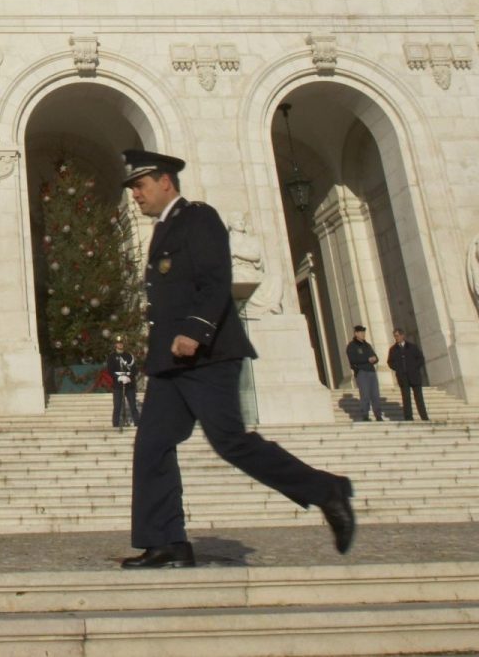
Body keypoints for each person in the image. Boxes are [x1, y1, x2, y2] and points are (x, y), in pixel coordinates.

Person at [117, 148, 355, 568]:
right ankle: (166, 540)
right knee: (152, 445)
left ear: (165, 181)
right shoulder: (162, 230)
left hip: (205, 356)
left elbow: (215, 277)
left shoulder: (198, 218)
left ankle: (327, 490)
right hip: (170, 364)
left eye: (141, 185)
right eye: (134, 187)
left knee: (231, 442)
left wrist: (195, 330)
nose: (136, 194)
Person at [387, 328, 430, 422]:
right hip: (403, 377)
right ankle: (408, 417)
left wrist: (414, 367)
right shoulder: (393, 349)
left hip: (414, 375)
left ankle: (424, 416)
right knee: (406, 398)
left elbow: (420, 359)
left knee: (419, 397)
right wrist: (398, 368)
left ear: (402, 336)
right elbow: (390, 362)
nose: (396, 338)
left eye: (397, 336)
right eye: (395, 336)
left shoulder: (412, 347)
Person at [346, 325, 381, 422]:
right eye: (361, 332)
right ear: (356, 333)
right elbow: (353, 360)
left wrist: (374, 359)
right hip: (361, 372)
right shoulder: (352, 346)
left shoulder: (367, 345)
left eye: (364, 332)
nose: (363, 334)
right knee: (365, 394)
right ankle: (365, 415)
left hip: (371, 371)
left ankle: (378, 415)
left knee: (375, 394)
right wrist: (367, 359)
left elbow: (376, 357)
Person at [105, 336, 140, 431]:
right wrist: (118, 377)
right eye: (118, 343)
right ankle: (115, 425)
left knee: (133, 406)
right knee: (117, 406)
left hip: (130, 385)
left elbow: (134, 369)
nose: (120, 344)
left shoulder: (129, 356)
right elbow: (110, 370)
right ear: (115, 344)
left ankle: (138, 425)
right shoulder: (111, 357)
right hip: (118, 385)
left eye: (121, 343)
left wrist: (129, 377)